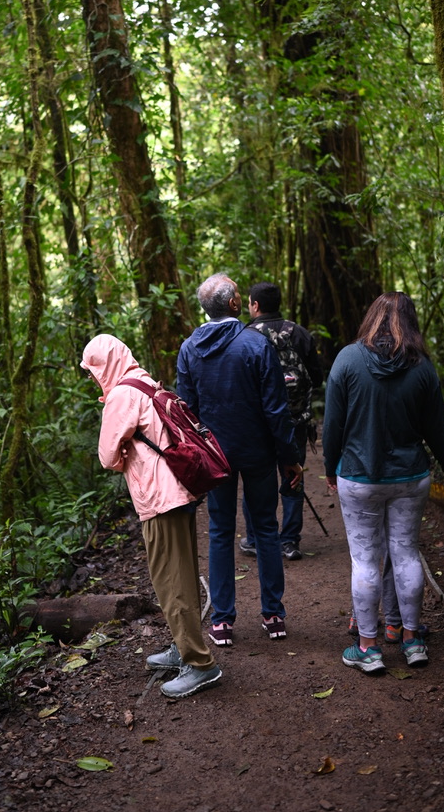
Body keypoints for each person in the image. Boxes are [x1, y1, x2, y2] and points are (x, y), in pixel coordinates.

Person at [323, 291, 444, 674]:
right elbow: (437, 430)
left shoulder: (347, 359)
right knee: (407, 554)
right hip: (411, 477)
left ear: (371, 319)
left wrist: (331, 468)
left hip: (360, 477)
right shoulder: (422, 368)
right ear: (410, 323)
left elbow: (333, 424)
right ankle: (412, 641)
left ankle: (368, 649)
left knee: (365, 559)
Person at [81, 333, 222, 699]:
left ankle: (200, 663)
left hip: (159, 498)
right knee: (183, 576)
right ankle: (184, 646)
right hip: (178, 490)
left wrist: (121, 443)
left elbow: (107, 456)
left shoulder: (121, 396)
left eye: (92, 370)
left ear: (102, 366)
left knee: (171, 583)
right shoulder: (143, 381)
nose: (92, 377)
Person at [176, 273, 303, 647]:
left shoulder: (189, 349)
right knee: (265, 527)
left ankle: (222, 621)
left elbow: (188, 411)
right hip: (258, 453)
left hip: (216, 457)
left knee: (219, 531)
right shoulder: (255, 344)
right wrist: (289, 458)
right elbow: (276, 409)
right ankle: (273, 614)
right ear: (233, 304)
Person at [239, 281, 324, 561]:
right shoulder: (299, 333)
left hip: (256, 425)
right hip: (295, 421)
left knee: (255, 481)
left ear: (255, 305)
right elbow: (317, 376)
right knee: (293, 477)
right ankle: (289, 542)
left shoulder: (244, 336)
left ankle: (254, 538)